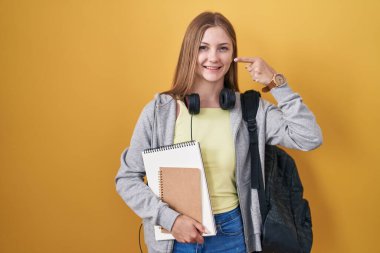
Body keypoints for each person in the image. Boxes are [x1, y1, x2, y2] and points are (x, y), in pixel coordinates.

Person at [115, 11, 322, 253]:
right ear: (190, 52)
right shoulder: (159, 111)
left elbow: (309, 137)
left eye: (223, 48)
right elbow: (126, 179)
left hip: (233, 234)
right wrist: (170, 219)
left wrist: (276, 83)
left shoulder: (250, 110)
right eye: (203, 47)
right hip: (175, 237)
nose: (213, 57)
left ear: (233, 54)